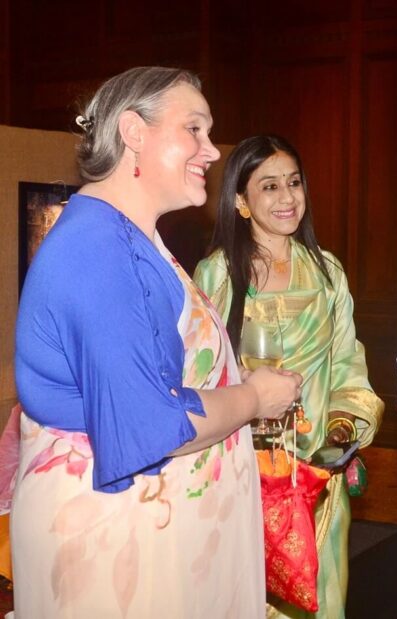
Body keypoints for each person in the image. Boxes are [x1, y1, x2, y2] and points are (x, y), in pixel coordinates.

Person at [11, 66, 302, 618]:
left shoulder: (132, 236)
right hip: (113, 544)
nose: (212, 151)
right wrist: (256, 399)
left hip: (151, 535)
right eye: (194, 128)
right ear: (133, 132)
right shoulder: (98, 250)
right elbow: (149, 425)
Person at [194, 135, 384, 618]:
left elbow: (347, 363)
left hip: (316, 477)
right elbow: (198, 375)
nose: (287, 198)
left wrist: (342, 433)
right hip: (242, 475)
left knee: (318, 595)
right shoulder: (216, 275)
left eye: (294, 183)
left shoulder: (326, 274)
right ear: (240, 201)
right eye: (270, 186)